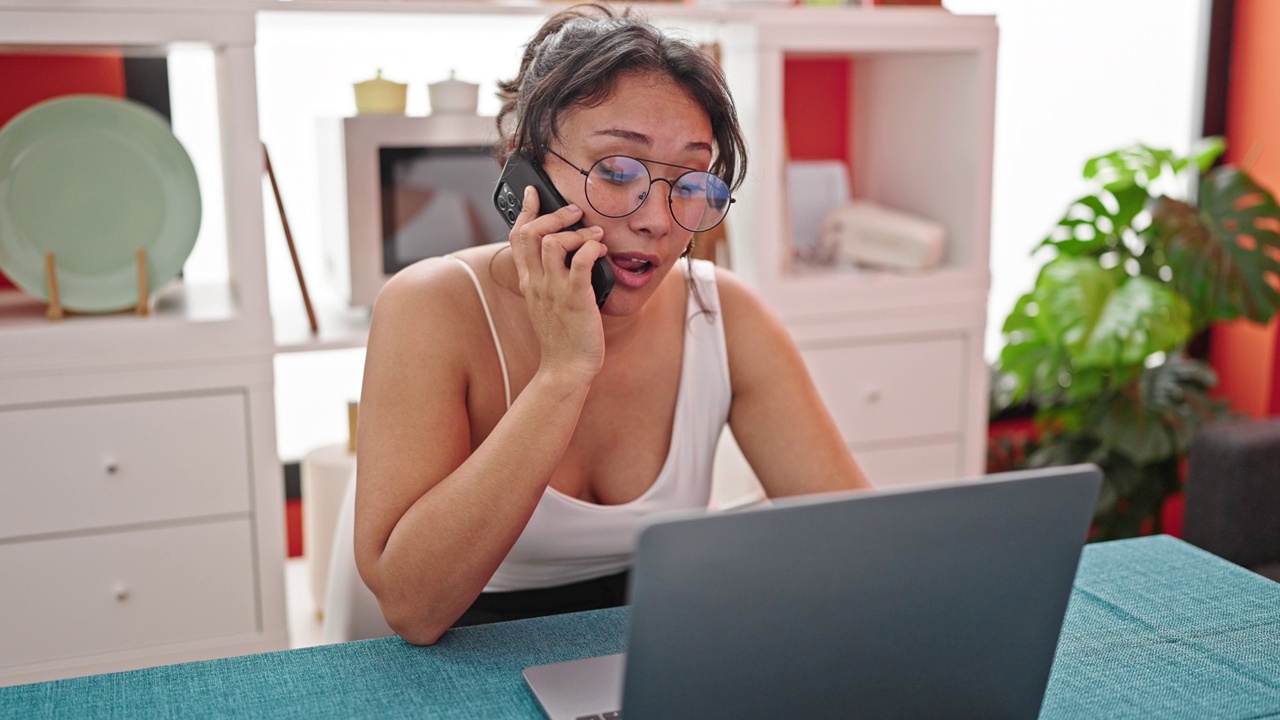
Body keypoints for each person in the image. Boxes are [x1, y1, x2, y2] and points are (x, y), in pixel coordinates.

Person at [355, 3, 871, 646]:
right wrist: (563, 373)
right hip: (471, 665)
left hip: (662, 656)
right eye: (618, 172)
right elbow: (412, 607)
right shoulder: (431, 306)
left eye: (690, 182)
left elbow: (862, 549)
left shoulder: (723, 315)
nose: (658, 219)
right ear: (528, 170)